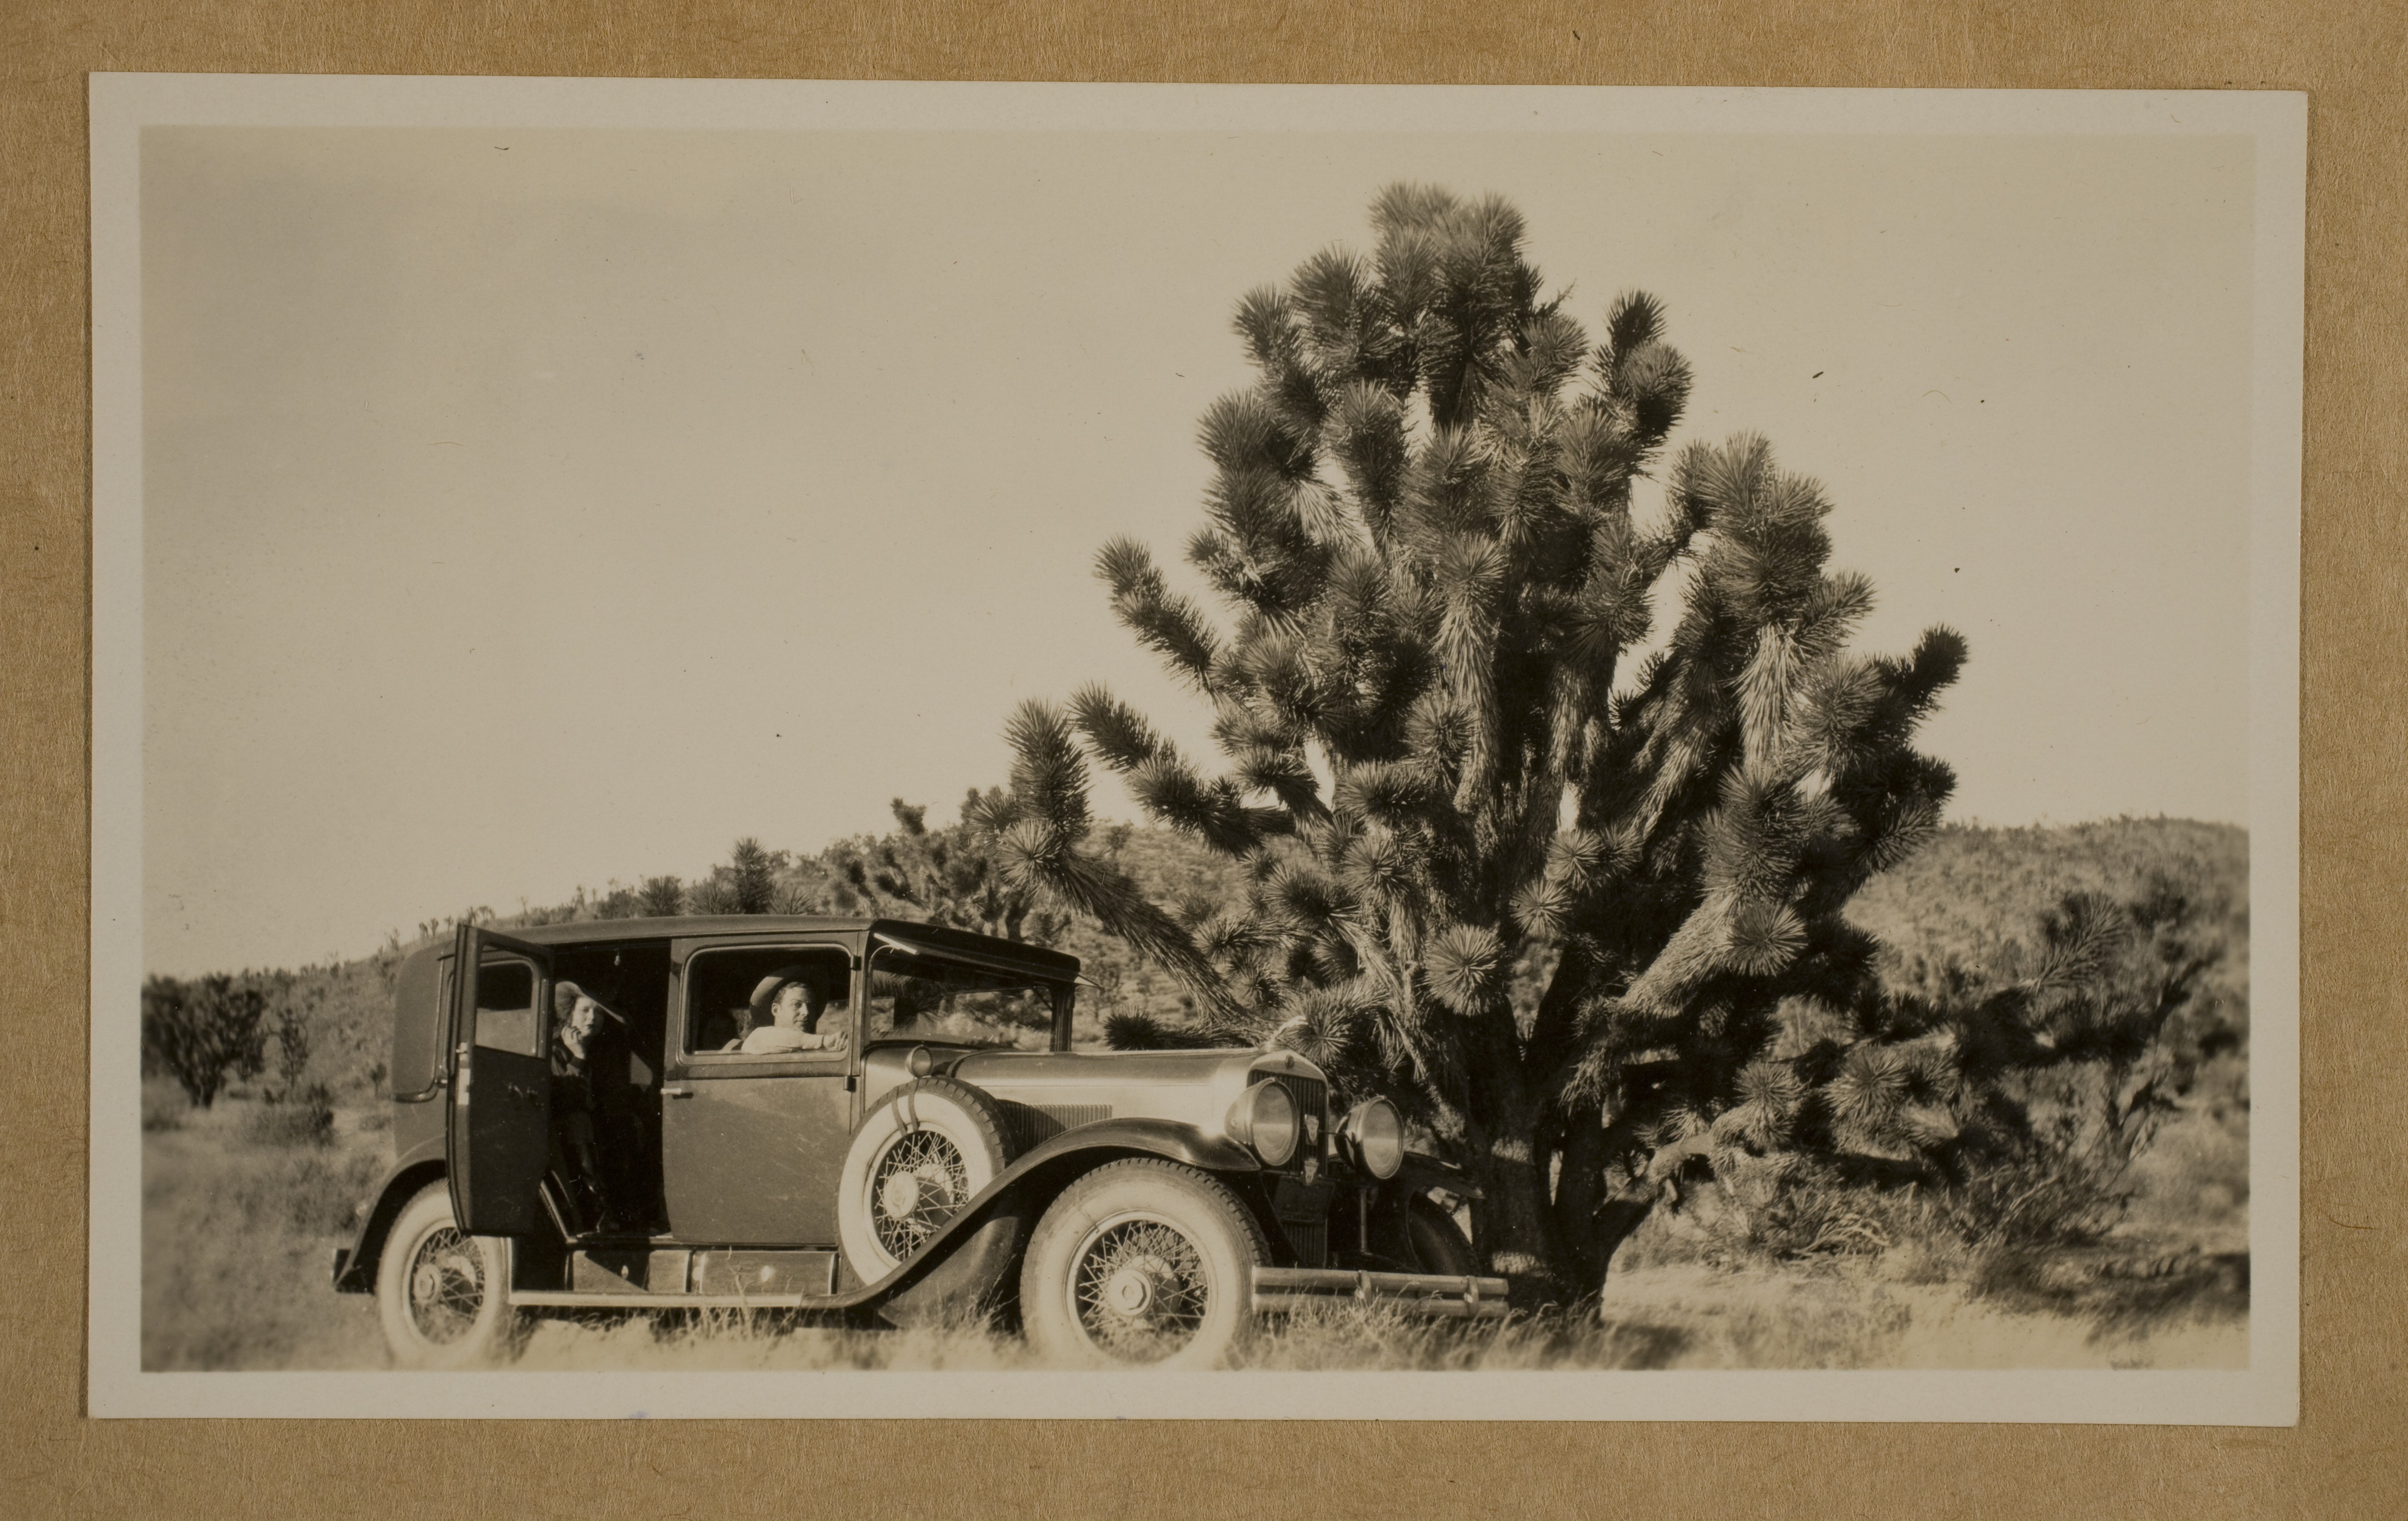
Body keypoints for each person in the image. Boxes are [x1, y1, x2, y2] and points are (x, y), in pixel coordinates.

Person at [736, 973, 849, 1055]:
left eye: (811, 1006)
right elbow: (776, 1038)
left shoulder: (813, 1048)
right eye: (796, 1005)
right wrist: (825, 1041)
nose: (806, 1012)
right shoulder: (760, 1037)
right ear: (776, 1010)